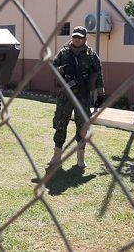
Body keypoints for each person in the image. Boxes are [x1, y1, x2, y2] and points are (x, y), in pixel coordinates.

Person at [48, 25, 105, 168]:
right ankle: (57, 156)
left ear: (85, 38)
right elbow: (53, 68)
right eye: (74, 36)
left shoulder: (91, 55)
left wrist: (100, 94)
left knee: (82, 126)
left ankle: (80, 157)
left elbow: (98, 74)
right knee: (60, 124)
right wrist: (63, 69)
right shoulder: (63, 53)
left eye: (80, 37)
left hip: (83, 96)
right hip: (65, 96)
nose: (77, 39)